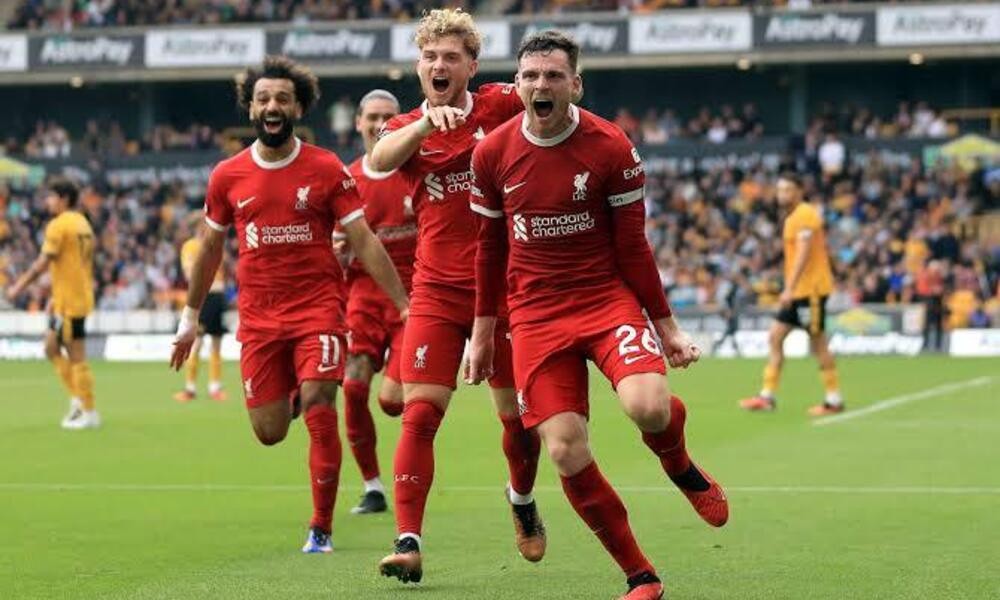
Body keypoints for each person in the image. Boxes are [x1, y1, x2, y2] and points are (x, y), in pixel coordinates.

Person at [467, 31, 728, 600]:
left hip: (604, 300)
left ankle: (679, 463)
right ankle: (641, 575)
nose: (540, 84)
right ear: (517, 84)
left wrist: (667, 328)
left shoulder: (610, 146)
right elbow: (487, 250)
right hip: (535, 315)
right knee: (564, 447)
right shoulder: (490, 154)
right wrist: (482, 336)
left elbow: (633, 246)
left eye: (553, 75)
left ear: (575, 85)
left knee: (648, 406)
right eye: (530, 75)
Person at [169, 56, 408, 554]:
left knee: (322, 402)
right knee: (270, 431)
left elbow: (363, 240)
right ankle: (294, 392)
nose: (272, 106)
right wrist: (189, 319)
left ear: (298, 108)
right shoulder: (227, 175)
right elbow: (209, 249)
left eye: (282, 98)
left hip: (319, 310)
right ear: (251, 108)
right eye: (263, 99)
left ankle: (320, 528)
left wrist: (404, 304)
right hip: (259, 319)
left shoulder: (326, 168)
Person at [371, 8, 545, 584]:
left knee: (519, 421)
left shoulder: (501, 103)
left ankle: (521, 499)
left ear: (472, 65)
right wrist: (426, 124)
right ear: (419, 67)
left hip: (506, 290)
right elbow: (377, 162)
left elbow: (553, 101)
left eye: (450, 56)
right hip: (437, 290)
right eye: (430, 57)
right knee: (420, 413)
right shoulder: (405, 128)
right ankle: (408, 540)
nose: (438, 65)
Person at [335, 89, 415, 515]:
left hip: (413, 299)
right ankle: (373, 487)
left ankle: (404, 476)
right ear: (358, 123)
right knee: (352, 387)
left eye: (388, 116)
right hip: (363, 299)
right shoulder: (345, 181)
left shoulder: (416, 171)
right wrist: (336, 252)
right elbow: (333, 250)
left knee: (392, 401)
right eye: (372, 117)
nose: (380, 124)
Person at [740, 173, 844, 416]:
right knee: (775, 337)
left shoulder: (805, 214)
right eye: (779, 190)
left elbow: (804, 253)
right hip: (798, 292)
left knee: (818, 344)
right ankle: (767, 396)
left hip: (811, 291)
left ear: (799, 191)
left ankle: (834, 400)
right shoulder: (792, 218)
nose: (782, 194)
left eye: (787, 189)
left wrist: (789, 287)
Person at [6, 176, 99, 430]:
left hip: (72, 302)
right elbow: (72, 264)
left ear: (63, 199)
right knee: (50, 347)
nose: (47, 201)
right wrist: (54, 297)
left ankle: (88, 411)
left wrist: (17, 287)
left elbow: (42, 264)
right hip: (70, 297)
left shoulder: (59, 225)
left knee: (76, 355)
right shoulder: (83, 223)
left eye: (51, 196)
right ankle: (78, 399)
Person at [174, 213, 228, 403]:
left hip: (217, 296)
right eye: (205, 223)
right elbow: (190, 274)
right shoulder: (191, 246)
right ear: (198, 226)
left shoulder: (216, 243)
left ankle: (215, 387)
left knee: (216, 343)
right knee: (196, 343)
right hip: (203, 296)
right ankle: (190, 388)